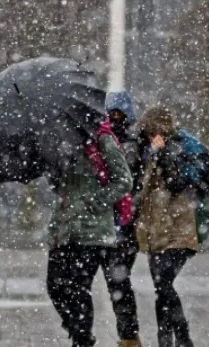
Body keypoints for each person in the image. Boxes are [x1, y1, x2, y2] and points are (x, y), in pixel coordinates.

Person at [46, 117, 133, 347]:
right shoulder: (61, 142)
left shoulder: (102, 139)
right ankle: (79, 333)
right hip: (63, 229)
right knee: (55, 286)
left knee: (78, 288)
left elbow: (124, 180)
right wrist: (55, 168)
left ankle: (81, 339)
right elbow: (60, 186)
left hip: (91, 230)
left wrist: (96, 202)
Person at [136, 105, 199, 347]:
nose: (149, 134)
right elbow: (140, 182)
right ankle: (166, 342)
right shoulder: (149, 151)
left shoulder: (175, 149)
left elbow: (175, 184)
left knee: (164, 284)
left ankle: (183, 339)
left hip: (177, 231)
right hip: (155, 231)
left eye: (151, 129)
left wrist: (162, 156)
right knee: (161, 288)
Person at [102, 91, 143, 347]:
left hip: (124, 221)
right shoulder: (104, 141)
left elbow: (130, 180)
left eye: (120, 114)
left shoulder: (132, 144)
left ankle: (128, 336)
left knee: (118, 280)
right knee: (116, 281)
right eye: (112, 114)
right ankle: (128, 335)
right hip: (111, 220)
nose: (116, 119)